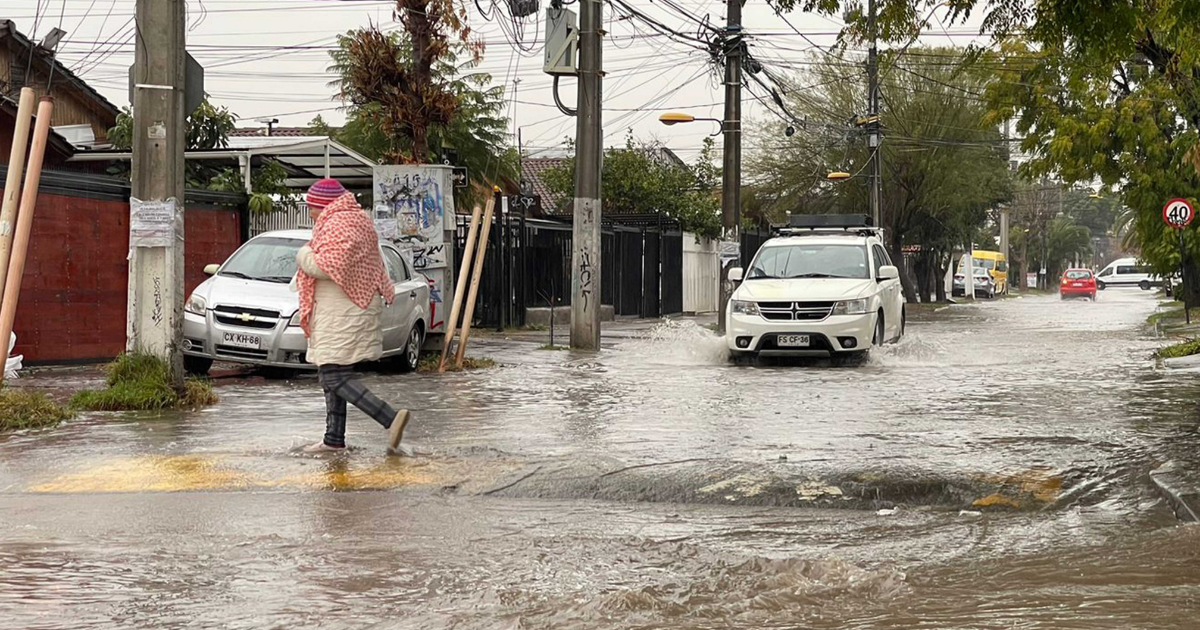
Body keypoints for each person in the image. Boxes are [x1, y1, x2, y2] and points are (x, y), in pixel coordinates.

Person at [295, 178, 409, 454]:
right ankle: (333, 439)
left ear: (323, 204)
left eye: (311, 206)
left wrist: (303, 254)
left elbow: (326, 267)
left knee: (333, 377)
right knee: (333, 372)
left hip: (343, 312)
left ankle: (389, 418)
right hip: (345, 310)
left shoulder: (340, 223)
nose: (309, 211)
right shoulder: (355, 220)